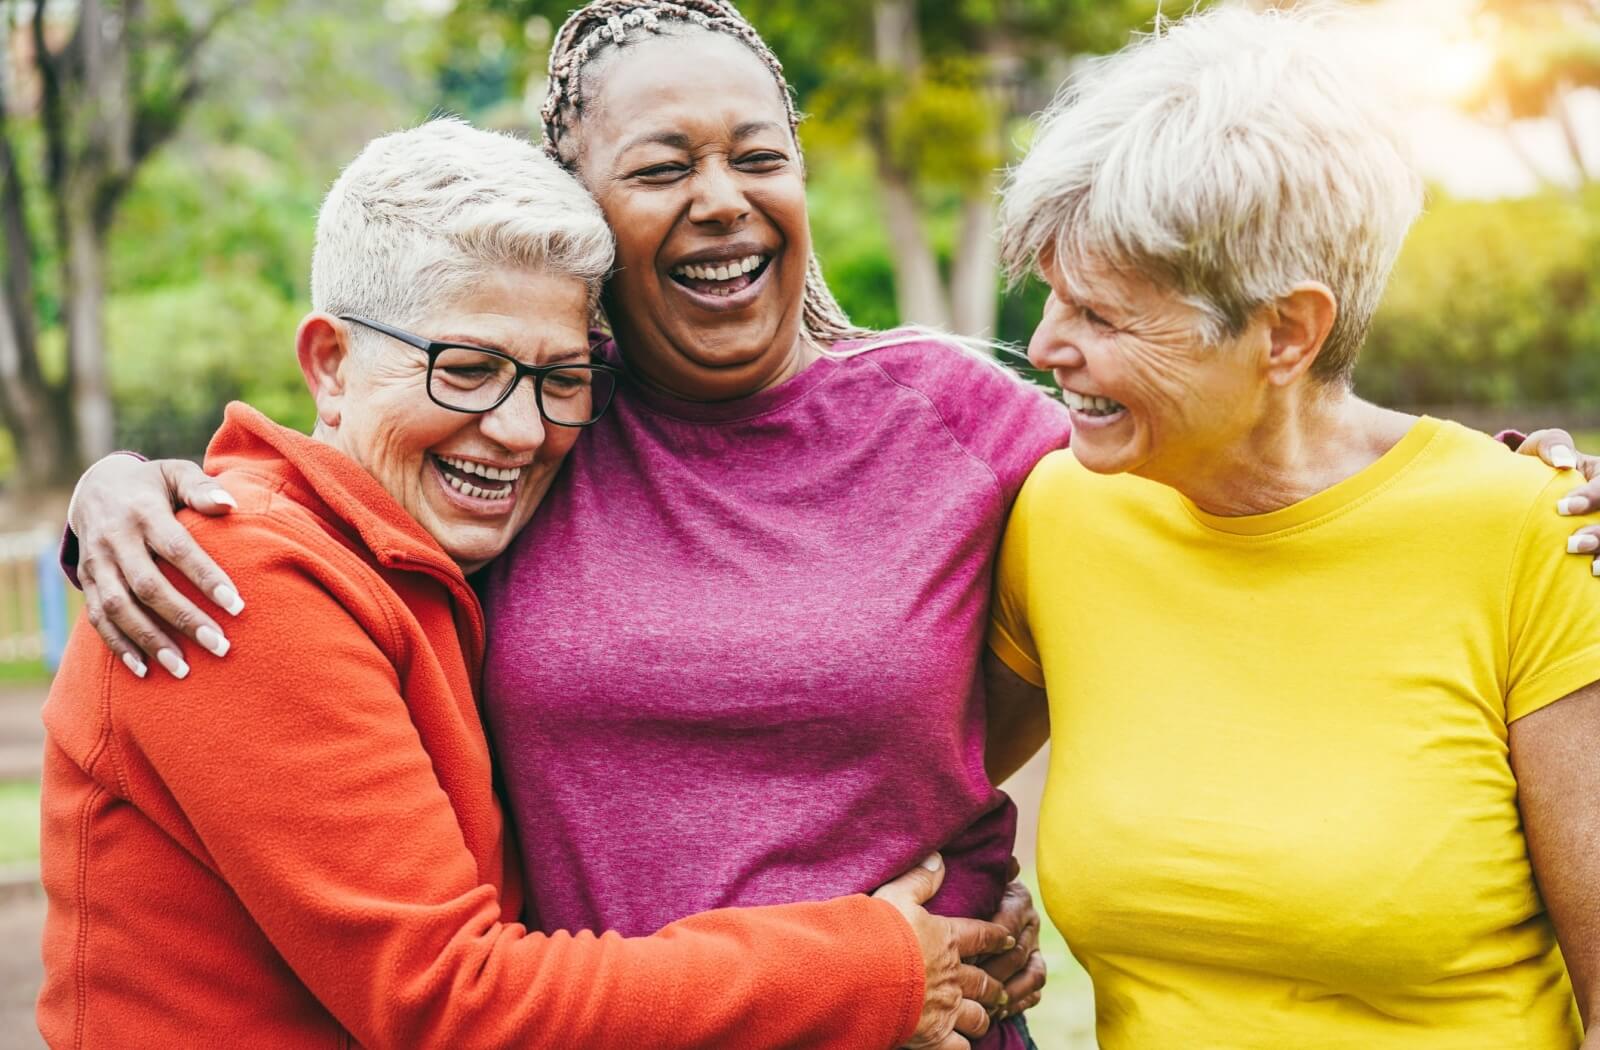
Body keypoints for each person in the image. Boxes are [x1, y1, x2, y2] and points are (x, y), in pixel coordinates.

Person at [54, 1, 1600, 1044]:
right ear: (586, 214)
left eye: (758, 156)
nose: (722, 197)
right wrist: (124, 487)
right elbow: (370, 438)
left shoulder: (970, 428)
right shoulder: (545, 431)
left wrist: (1517, 481)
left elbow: (1238, 433)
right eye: (663, 166)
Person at [38, 118, 1015, 1050]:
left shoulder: (433, 555)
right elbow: (451, 1002)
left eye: (559, 380)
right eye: (465, 369)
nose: (518, 430)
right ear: (330, 365)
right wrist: (873, 970)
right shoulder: (234, 579)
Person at [983, 7, 1600, 1047]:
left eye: (1100, 315)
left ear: (1286, 332)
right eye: (1052, 297)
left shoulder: (1536, 538)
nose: (1044, 345)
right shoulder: (1060, 513)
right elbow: (892, 790)